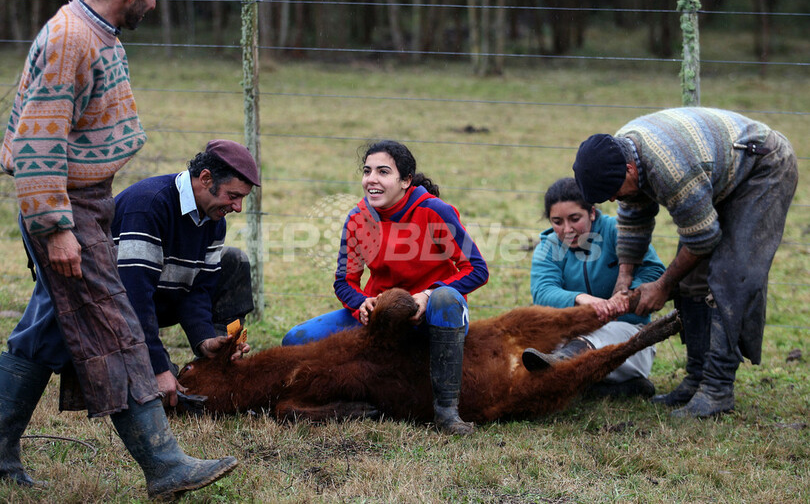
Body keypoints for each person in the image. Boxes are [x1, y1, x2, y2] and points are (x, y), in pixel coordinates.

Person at [0, 0, 238, 499]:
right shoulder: (71, 38)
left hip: (85, 201)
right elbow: (38, 141)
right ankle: (164, 463)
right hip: (67, 208)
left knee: (46, 329)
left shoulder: (93, 32)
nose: (153, 4)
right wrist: (56, 227)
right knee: (114, 325)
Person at [572, 107, 798, 418]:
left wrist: (663, 286)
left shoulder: (670, 169)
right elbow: (634, 218)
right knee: (692, 280)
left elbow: (703, 239)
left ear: (630, 170)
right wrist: (623, 280)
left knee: (730, 277)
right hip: (715, 172)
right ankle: (696, 379)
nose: (612, 200)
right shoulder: (620, 152)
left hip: (761, 168)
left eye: (613, 193)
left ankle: (717, 389)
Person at [282, 140, 489, 435]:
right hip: (382, 317)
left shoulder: (435, 211)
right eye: (367, 171)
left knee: (445, 298)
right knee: (296, 340)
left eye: (383, 172)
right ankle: (345, 404)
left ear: (405, 180)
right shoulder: (357, 218)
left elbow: (477, 270)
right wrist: (362, 303)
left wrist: (427, 295)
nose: (372, 179)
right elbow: (344, 281)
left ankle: (447, 413)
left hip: (434, 315)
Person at [112, 139, 258, 407]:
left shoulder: (214, 221)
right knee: (162, 398)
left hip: (158, 299)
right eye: (233, 196)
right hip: (115, 311)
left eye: (242, 199)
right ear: (205, 178)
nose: (238, 207)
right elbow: (133, 298)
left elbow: (199, 288)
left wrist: (204, 338)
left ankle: (220, 357)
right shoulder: (149, 206)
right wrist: (157, 367)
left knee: (235, 260)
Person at [522, 178, 666, 398]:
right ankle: (601, 389)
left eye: (574, 219)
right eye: (557, 221)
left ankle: (564, 365)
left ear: (591, 212)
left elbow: (653, 272)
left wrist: (625, 298)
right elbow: (543, 292)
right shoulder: (548, 246)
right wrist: (582, 299)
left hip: (628, 338)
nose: (567, 229)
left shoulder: (618, 231)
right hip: (569, 334)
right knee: (530, 346)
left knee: (600, 335)